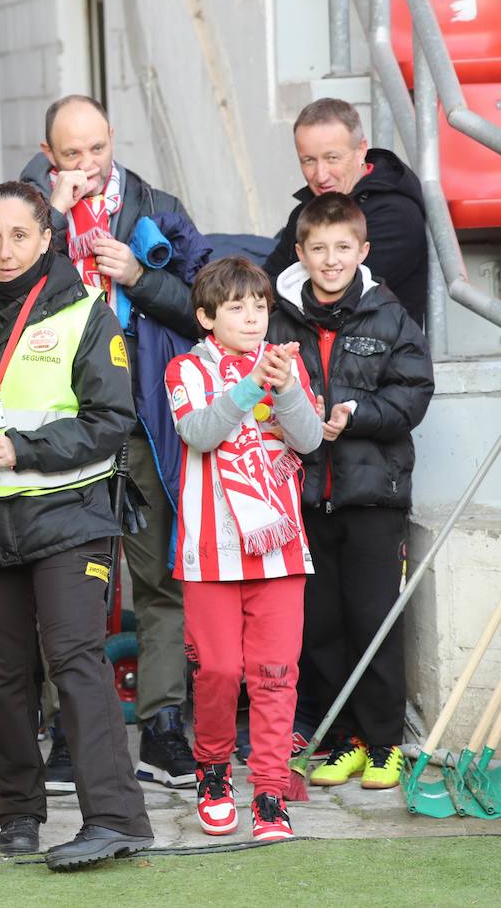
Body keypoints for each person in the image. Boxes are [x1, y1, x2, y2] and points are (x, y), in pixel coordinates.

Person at [0, 181, 154, 870]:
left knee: (77, 662)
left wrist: (25, 449)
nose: (4, 249)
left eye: (19, 235)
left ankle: (116, 816)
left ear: (48, 238)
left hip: (68, 518)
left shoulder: (85, 314)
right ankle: (18, 814)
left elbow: (111, 423)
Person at [22, 94, 201, 790]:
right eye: (73, 155)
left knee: (158, 579)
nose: (89, 165)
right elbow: (3, 301)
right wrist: (54, 221)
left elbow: (204, 305)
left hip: (144, 422)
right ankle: (71, 734)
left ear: (112, 139)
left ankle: (161, 730)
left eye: (97, 149)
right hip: (65, 424)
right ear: (49, 154)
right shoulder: (28, 215)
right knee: (71, 589)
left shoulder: (158, 204)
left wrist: (141, 278)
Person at [266, 194, 434, 791]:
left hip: (372, 500)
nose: (330, 260)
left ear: (362, 252)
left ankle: (385, 742)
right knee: (322, 627)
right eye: (319, 249)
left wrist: (356, 414)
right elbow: (261, 388)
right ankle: (345, 740)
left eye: (343, 248)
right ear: (301, 253)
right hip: (305, 498)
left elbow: (414, 392)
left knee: (373, 620)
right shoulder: (278, 316)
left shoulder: (390, 315)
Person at [165, 257, 323, 841]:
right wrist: (254, 383)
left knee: (276, 674)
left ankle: (271, 791)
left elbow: (307, 440)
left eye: (260, 306)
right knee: (220, 671)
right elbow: (201, 432)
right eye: (237, 307)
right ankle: (212, 770)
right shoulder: (184, 369)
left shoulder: (287, 363)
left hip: (280, 548)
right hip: (210, 550)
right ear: (207, 317)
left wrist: (284, 389)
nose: (253, 317)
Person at [263, 98, 428, 327]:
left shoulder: (397, 216)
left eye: (332, 158)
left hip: (376, 355)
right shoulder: (308, 209)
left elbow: (334, 298)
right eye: (308, 160)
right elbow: (265, 287)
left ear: (361, 150)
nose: (320, 176)